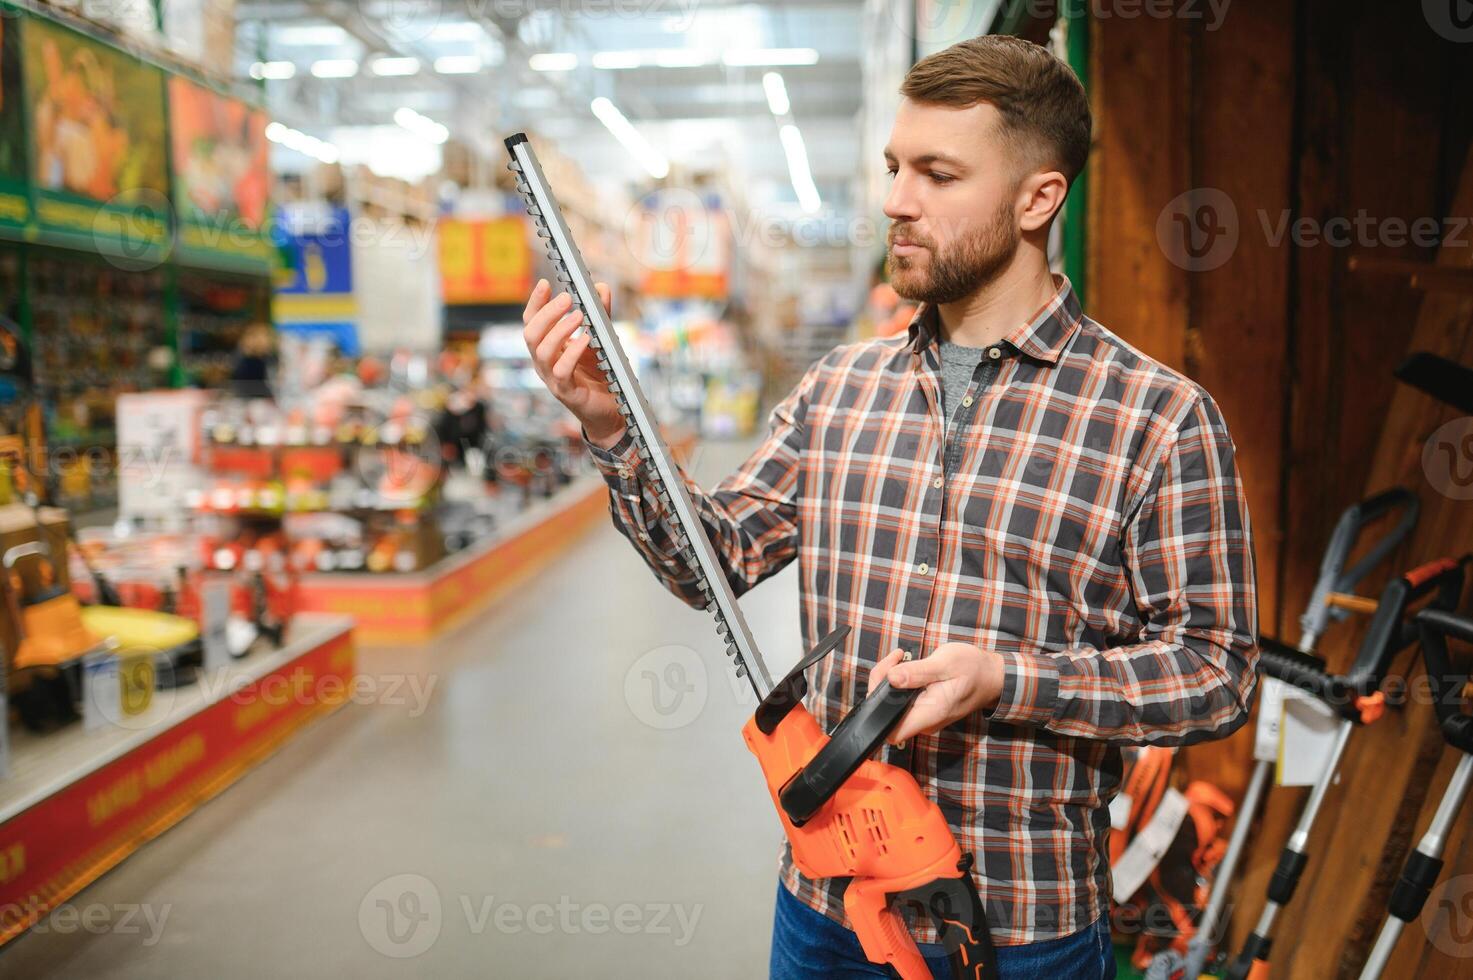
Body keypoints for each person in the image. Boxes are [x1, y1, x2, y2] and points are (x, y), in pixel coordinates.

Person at [521, 35, 1257, 980]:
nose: (896, 201)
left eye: (938, 174)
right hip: (829, 905)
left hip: (1019, 924)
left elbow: (1216, 671)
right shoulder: (840, 388)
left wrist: (1007, 678)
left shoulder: (1155, 419)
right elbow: (712, 561)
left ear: (1039, 198)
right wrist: (609, 426)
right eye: (893, 167)